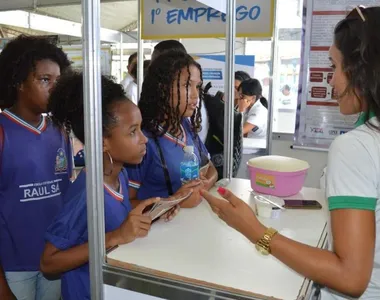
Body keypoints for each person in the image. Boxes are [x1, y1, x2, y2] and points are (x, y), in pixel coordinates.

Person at [202, 6, 380, 299]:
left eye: (334, 67)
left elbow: (350, 278)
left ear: (361, 69)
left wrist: (254, 229)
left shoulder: (357, 146)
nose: (330, 81)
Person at [40, 72, 182, 299]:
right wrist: (115, 236)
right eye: (133, 132)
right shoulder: (88, 193)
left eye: (141, 128)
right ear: (103, 141)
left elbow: (116, 217)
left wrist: (154, 210)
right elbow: (49, 263)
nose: (144, 139)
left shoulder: (120, 175)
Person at [0, 35, 72, 300]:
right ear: (18, 82)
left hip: (53, 259)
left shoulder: (59, 130)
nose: (54, 88)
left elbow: (64, 193)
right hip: (13, 267)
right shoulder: (3, 131)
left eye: (57, 81)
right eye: (44, 80)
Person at [126, 51, 218, 208]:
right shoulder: (144, 139)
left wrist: (204, 185)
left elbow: (211, 169)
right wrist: (173, 202)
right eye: (187, 85)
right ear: (163, 87)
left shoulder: (185, 126)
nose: (196, 95)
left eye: (198, 86)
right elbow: (126, 204)